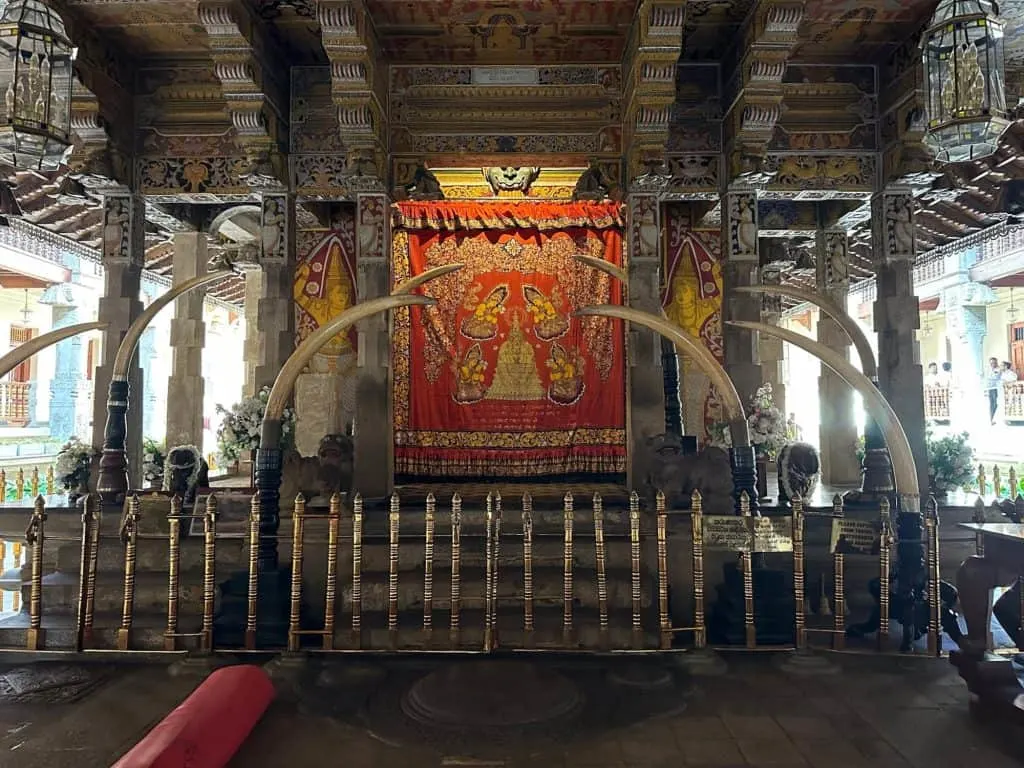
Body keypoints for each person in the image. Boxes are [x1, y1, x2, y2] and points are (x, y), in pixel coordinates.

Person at [985, 357, 1001, 424]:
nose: (992, 364)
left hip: (996, 388)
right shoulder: (988, 369)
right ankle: (991, 419)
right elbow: (987, 377)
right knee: (991, 404)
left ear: (996, 362)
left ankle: (995, 418)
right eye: (991, 363)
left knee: (995, 404)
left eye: (994, 362)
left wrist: (991, 376)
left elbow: (996, 377)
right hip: (989, 388)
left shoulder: (998, 369)